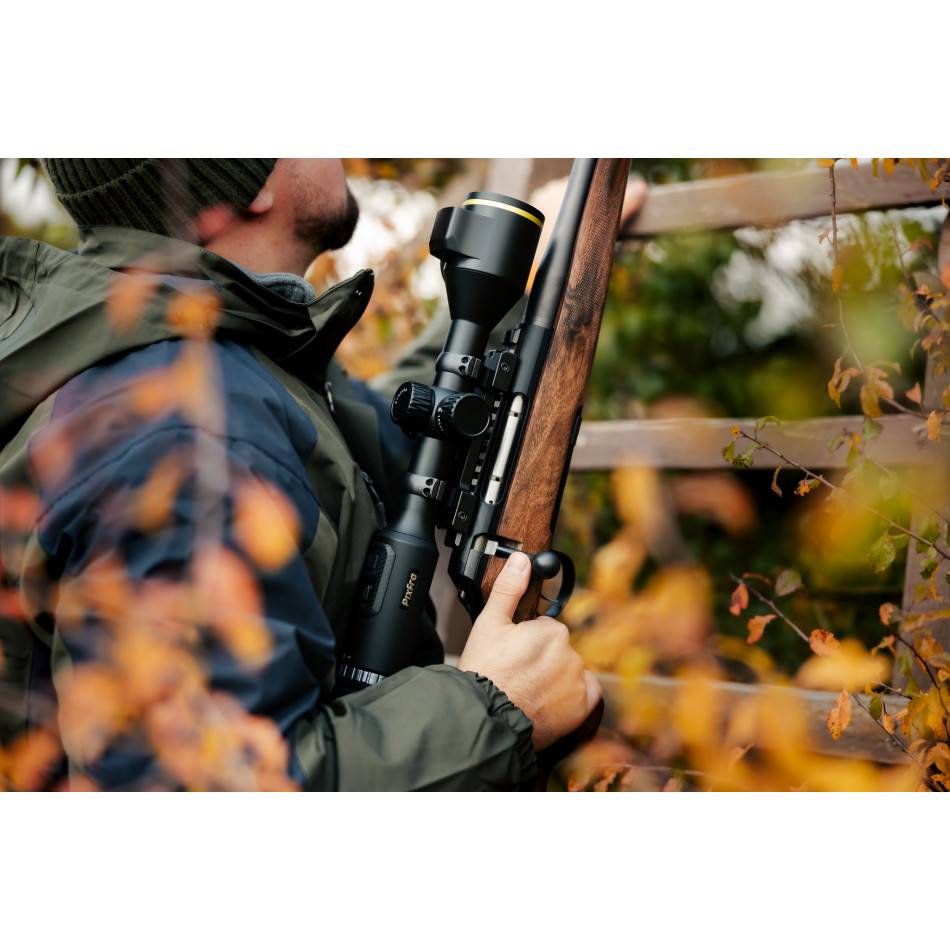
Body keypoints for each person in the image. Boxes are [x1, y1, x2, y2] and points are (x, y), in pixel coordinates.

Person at [0, 159, 644, 790]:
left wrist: (531, 284)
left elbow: (370, 450)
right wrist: (495, 711)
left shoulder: (201, 363)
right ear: (251, 182)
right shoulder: (187, 441)